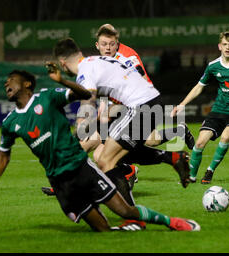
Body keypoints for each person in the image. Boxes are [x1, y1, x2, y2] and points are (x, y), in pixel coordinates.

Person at [0, 69, 200, 232]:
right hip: (59, 182)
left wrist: (63, 80)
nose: (7, 83)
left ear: (26, 84)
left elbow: (82, 95)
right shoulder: (10, 122)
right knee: (102, 230)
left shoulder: (46, 97)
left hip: (81, 169)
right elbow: (4, 154)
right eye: (5, 81)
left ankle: (172, 222)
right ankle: (168, 151)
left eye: (11, 80)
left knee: (125, 211)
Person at [51, 38, 194, 190]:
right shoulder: (97, 61)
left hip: (140, 107)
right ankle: (171, 157)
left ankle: (127, 209)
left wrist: (83, 125)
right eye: (104, 44)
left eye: (110, 44)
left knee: (106, 159)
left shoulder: (88, 70)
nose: (107, 47)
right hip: (146, 104)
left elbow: (88, 101)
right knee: (116, 153)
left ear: (62, 63)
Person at [171, 31, 229, 184]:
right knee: (200, 143)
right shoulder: (213, 66)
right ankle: (191, 177)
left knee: (225, 136)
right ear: (219, 46)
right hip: (219, 109)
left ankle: (210, 170)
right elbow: (199, 86)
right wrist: (182, 104)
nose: (227, 47)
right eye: (224, 44)